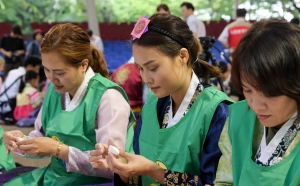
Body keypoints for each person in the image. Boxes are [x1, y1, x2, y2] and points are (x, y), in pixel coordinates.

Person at [90, 14, 233, 186]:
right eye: (141, 69)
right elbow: (139, 169)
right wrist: (122, 165)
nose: (146, 78)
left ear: (182, 56)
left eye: (153, 68)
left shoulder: (217, 111)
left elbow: (215, 182)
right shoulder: (152, 104)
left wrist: (154, 171)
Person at [1, 23, 135, 185]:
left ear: (83, 65)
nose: (51, 78)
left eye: (59, 72)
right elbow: (40, 139)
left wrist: (59, 150)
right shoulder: (54, 90)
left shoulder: (108, 97)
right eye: (46, 70)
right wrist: (20, 142)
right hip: (55, 176)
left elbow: (113, 167)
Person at [214, 19, 300, 185]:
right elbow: (225, 181)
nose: (255, 105)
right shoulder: (238, 120)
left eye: (270, 92)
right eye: (247, 90)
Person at [0, 56, 41, 124]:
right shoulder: (24, 76)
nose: (37, 72)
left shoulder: (13, 71)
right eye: (36, 69)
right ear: (30, 66)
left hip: (2, 105)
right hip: (10, 109)